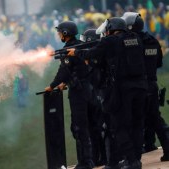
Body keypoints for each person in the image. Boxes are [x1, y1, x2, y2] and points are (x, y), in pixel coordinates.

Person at [68, 17, 147, 169]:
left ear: (112, 28)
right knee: (137, 125)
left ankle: (132, 160)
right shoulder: (135, 38)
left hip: (123, 89)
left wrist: (76, 52)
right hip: (141, 86)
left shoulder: (109, 41)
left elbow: (92, 54)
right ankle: (135, 159)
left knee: (118, 126)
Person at [45, 21, 95, 169]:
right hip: (89, 90)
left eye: (60, 32)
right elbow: (77, 69)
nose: (59, 34)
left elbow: (64, 71)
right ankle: (91, 159)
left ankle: (85, 163)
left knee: (80, 128)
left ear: (66, 33)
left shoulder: (69, 49)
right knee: (90, 126)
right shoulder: (80, 45)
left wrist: (52, 85)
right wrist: (64, 82)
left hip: (79, 93)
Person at [122, 12, 169, 162]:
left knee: (136, 121)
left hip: (138, 86)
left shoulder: (132, 42)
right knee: (156, 120)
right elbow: (158, 63)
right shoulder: (153, 41)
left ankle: (134, 159)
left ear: (130, 26)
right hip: (152, 85)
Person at [81, 29, 107, 166]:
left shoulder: (96, 59)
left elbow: (96, 80)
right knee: (96, 130)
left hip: (99, 97)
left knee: (99, 129)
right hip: (97, 97)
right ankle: (99, 158)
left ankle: (103, 158)